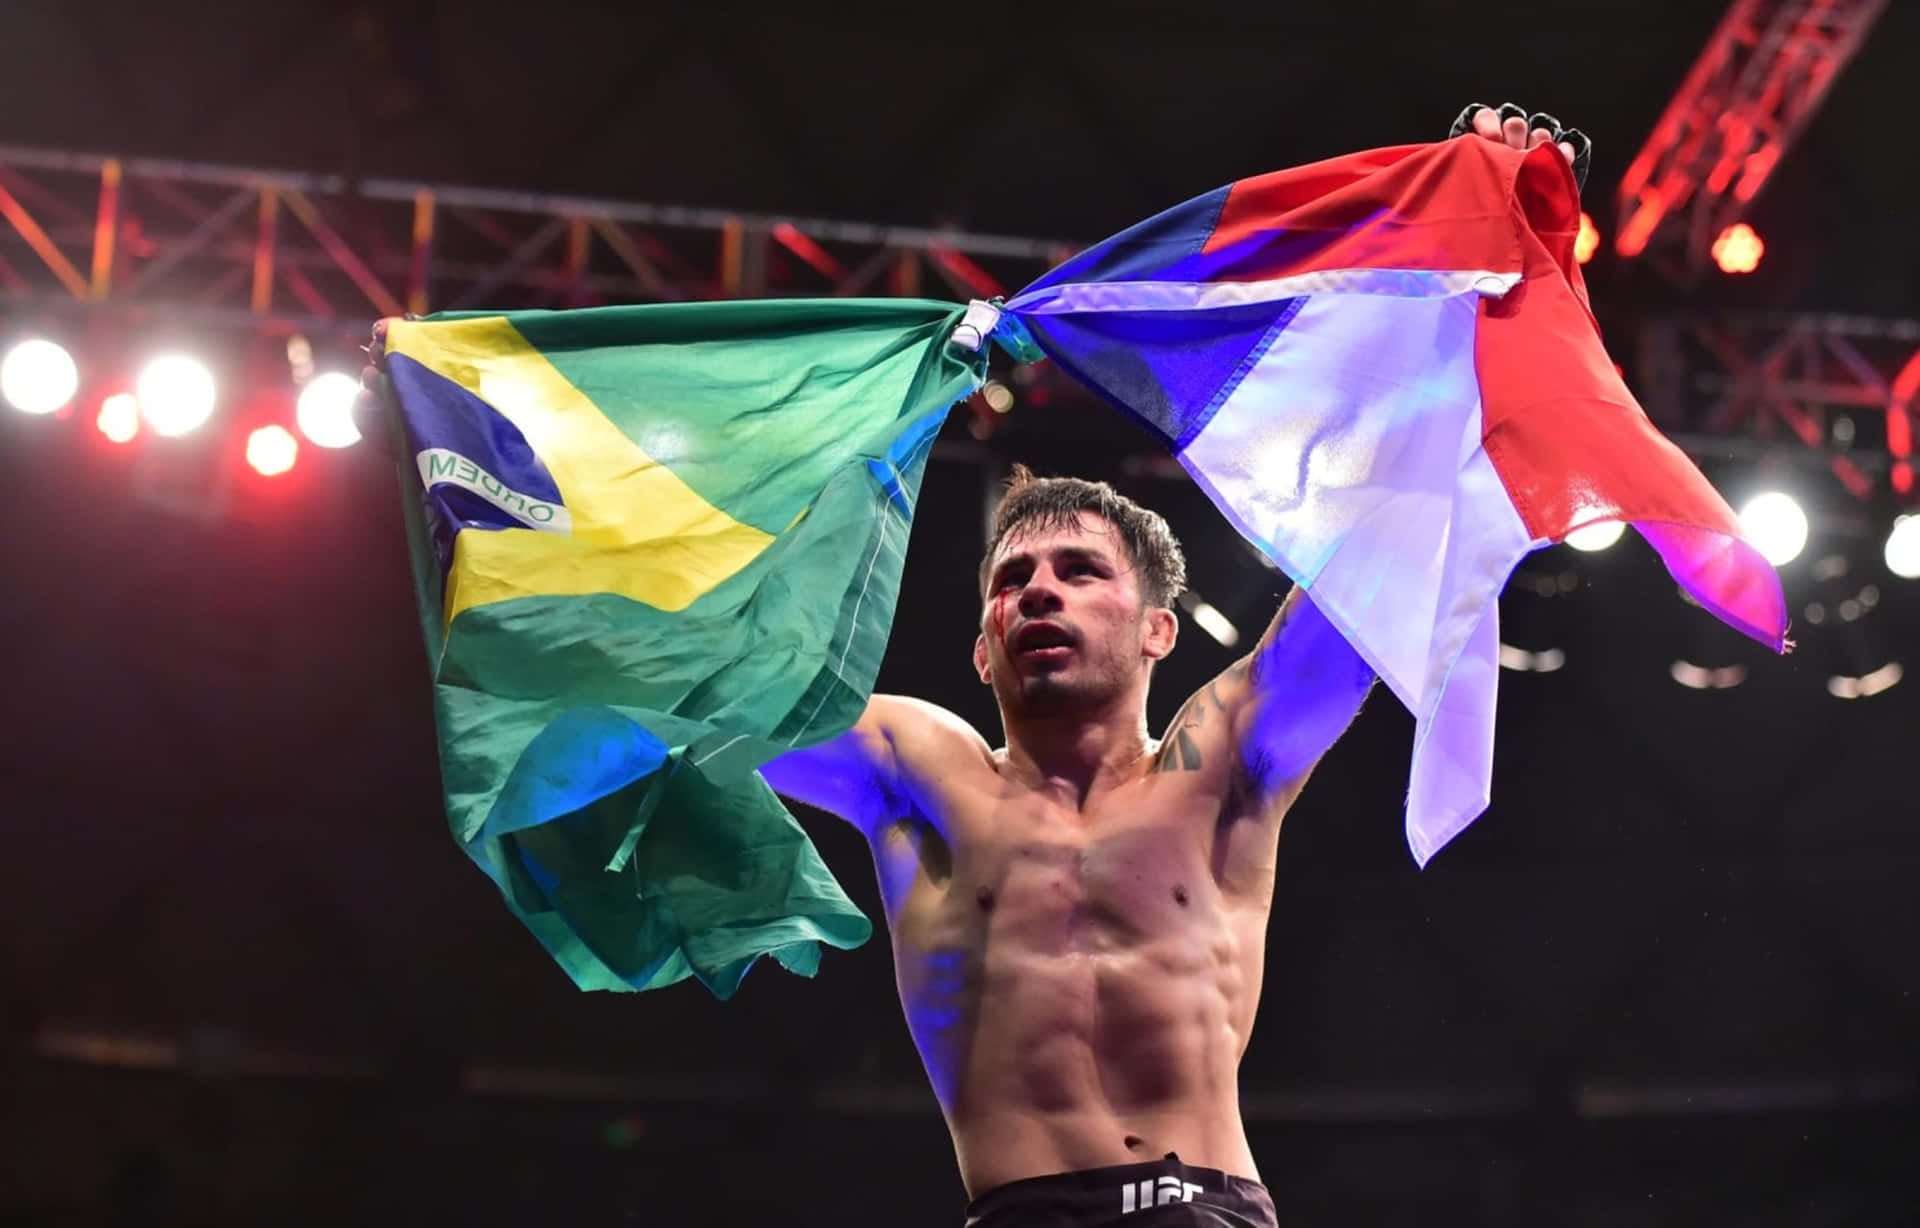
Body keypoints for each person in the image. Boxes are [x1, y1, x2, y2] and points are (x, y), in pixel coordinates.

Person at [358, 105, 1583, 1227]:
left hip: (1215, 1206)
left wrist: (1489, 255)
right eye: (1011, 581)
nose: (1038, 589)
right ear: (982, 643)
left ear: (1159, 626)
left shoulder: (1229, 759)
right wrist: (462, 428)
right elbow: (680, 671)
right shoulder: (914, 766)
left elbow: (1387, 542)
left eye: (1078, 572)